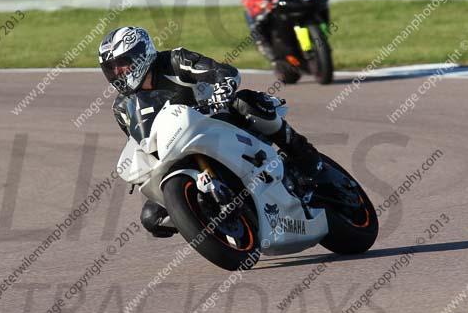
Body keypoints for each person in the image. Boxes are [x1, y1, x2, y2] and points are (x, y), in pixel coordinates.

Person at [98, 26, 324, 238]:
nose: (117, 72)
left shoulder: (175, 61)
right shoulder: (121, 108)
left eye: (123, 63)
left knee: (248, 102)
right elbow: (139, 141)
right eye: (111, 68)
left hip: (217, 120)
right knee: (152, 218)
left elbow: (222, 71)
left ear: (141, 55)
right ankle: (212, 221)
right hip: (177, 152)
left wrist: (222, 87)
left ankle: (305, 156)